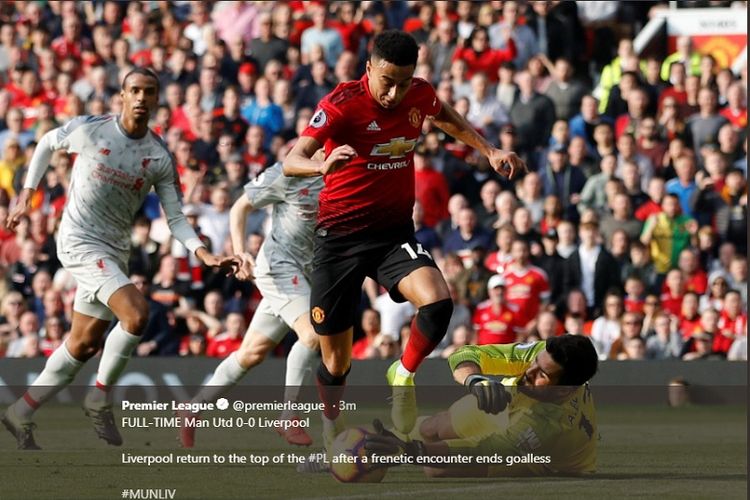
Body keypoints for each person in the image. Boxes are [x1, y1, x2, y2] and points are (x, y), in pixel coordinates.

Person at [282, 31, 525, 443]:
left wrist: (488, 150)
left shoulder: (418, 94)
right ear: (369, 69)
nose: (395, 93)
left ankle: (403, 372)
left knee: (438, 302)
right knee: (337, 363)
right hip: (339, 239)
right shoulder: (340, 106)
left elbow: (442, 113)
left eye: (404, 82)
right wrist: (320, 168)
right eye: (387, 81)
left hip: (392, 234)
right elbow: (292, 160)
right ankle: (330, 427)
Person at [2, 68, 234, 450]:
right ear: (122, 96)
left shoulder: (157, 155)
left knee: (82, 344)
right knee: (137, 314)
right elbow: (45, 142)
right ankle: (98, 397)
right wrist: (28, 190)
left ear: (158, 100)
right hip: (78, 240)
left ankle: (20, 412)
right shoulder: (92, 130)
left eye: (149, 92)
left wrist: (203, 252)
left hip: (113, 251)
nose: (141, 98)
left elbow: (175, 217)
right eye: (134, 91)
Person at [180, 160, 324, 448]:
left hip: (308, 275)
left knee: (251, 353)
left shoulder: (351, 174)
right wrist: (240, 252)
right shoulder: (290, 170)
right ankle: (288, 415)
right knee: (313, 334)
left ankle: (192, 408)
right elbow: (240, 207)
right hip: (279, 266)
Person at [364, 335, 599, 477]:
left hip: (541, 459)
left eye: (542, 375)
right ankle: (363, 446)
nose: (529, 371)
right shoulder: (542, 354)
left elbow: (478, 451)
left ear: (564, 390)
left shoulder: (548, 427)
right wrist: (475, 380)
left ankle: (387, 447)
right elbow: (466, 354)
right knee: (432, 429)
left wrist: (410, 451)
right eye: (535, 363)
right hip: (511, 403)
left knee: (437, 469)